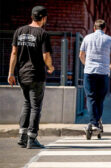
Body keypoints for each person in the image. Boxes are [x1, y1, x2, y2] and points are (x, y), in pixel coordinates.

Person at [8, 6, 54, 149]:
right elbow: (45, 55)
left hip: (22, 75)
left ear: (32, 17)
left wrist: (10, 73)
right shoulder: (42, 34)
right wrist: (50, 67)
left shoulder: (19, 31)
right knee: (35, 107)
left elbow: (14, 53)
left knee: (27, 103)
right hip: (36, 75)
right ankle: (32, 138)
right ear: (44, 18)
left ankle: (22, 136)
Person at [79, 19, 111, 132]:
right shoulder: (109, 39)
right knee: (100, 98)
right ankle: (97, 121)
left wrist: (87, 64)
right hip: (103, 72)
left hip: (89, 72)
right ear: (105, 29)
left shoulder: (87, 38)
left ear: (94, 28)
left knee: (91, 97)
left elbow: (81, 55)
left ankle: (93, 122)